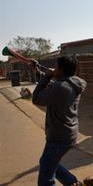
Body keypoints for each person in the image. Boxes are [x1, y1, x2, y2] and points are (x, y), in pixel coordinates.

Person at [32, 56, 87, 186]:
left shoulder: (61, 87)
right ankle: (73, 183)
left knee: (45, 178)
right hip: (67, 133)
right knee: (49, 163)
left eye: (56, 67)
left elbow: (36, 98)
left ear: (61, 70)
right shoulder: (73, 83)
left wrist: (46, 76)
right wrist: (39, 72)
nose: (54, 68)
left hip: (58, 137)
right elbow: (52, 88)